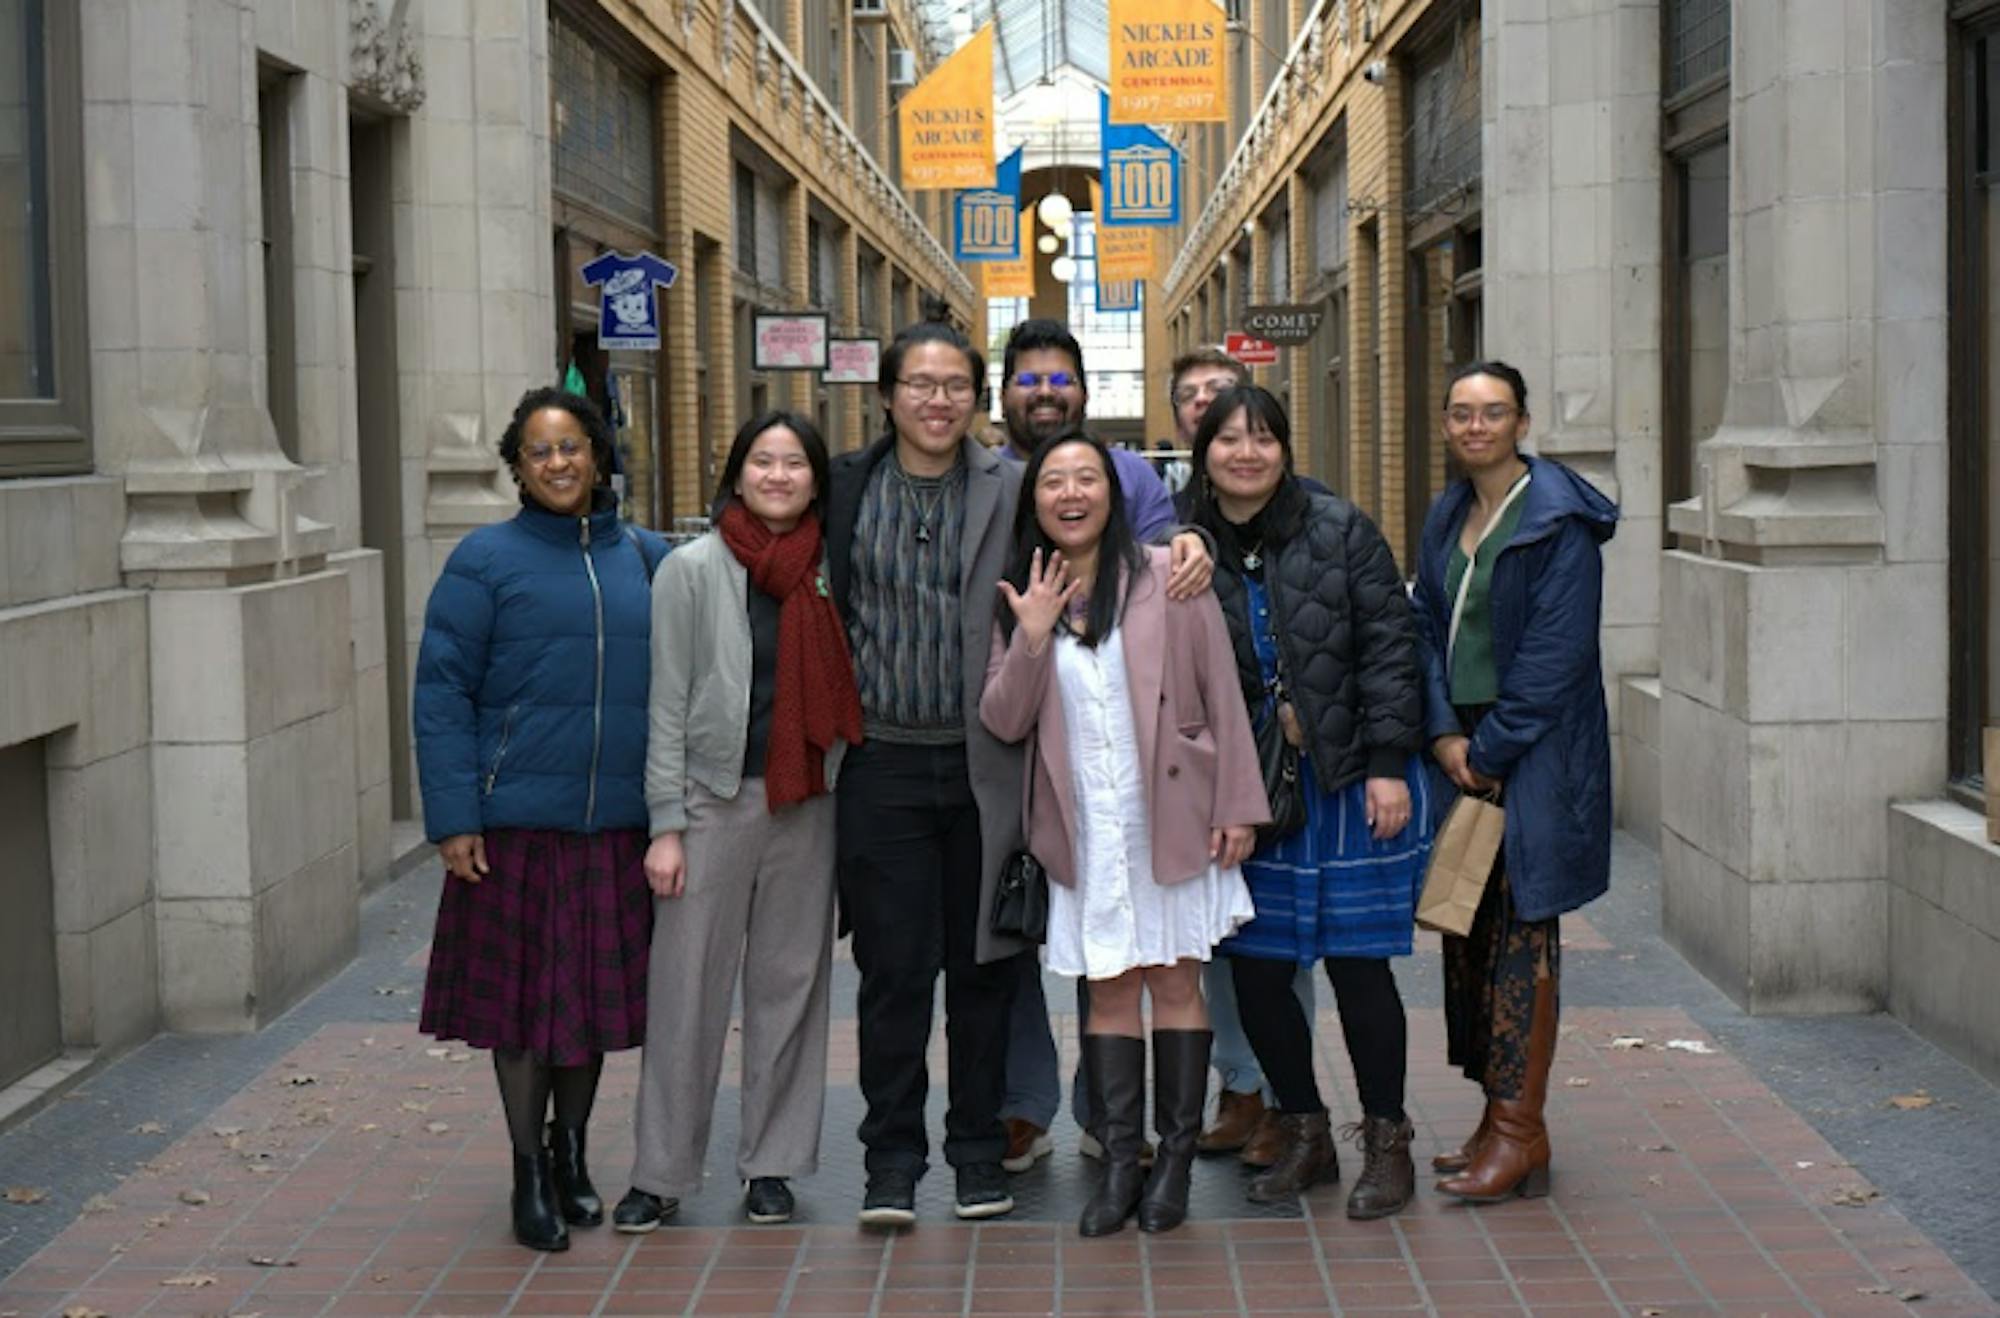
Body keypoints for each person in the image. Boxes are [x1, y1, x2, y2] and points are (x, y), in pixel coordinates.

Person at [979, 430, 1266, 1236]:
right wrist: (1032, 635)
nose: (1071, 494)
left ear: (1112, 492)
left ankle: (1172, 1163)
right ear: (1033, 498)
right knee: (1107, 990)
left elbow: (1222, 693)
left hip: (1169, 813)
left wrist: (1236, 805)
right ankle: (1119, 1159)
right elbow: (1002, 718)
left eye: (1087, 479)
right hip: (1084, 825)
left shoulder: (1169, 574)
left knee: (1176, 982)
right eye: (1053, 481)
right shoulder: (1025, 590)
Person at [415, 386, 666, 1252]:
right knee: (524, 1017)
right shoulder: (484, 561)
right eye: (539, 451)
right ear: (518, 468)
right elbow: (441, 692)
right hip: (513, 825)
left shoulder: (646, 557)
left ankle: (571, 1155)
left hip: (614, 827)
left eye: (571, 446)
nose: (558, 463)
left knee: (586, 1013)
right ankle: (528, 1169)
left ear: (597, 454)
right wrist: (454, 817)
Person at [1183, 384, 1432, 1219]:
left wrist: (1389, 762)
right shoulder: (1182, 545)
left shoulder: (1341, 528)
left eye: (1262, 438)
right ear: (1202, 450)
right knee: (1257, 973)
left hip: (1344, 781)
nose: (1245, 453)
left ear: (1285, 449)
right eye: (1228, 439)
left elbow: (1390, 647)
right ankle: (1305, 1131)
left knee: (1361, 967)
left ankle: (1389, 1141)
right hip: (1250, 791)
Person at [614, 412, 860, 1233]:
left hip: (808, 802)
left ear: (816, 479)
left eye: (795, 463)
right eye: (764, 461)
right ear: (739, 471)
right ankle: (661, 1171)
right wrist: (665, 824)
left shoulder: (834, 567)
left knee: (790, 988)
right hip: (711, 803)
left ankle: (773, 1166)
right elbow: (665, 703)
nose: (780, 476)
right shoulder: (691, 569)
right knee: (685, 992)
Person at [991, 319, 1216, 1175]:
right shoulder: (987, 478)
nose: (1045, 393)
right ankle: (1023, 1102)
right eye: (1028, 380)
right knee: (1016, 930)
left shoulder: (1133, 478)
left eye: (1060, 379)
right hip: (1017, 735)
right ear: (1004, 391)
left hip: (1118, 749)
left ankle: (1109, 1118)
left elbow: (1168, 575)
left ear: (1085, 390)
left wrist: (1190, 543)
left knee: (1119, 943)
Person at [822, 321, 1028, 1226]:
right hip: (882, 767)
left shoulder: (1013, 488)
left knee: (984, 972)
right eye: (920, 383)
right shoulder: (846, 488)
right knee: (894, 975)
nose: (937, 400)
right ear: (888, 395)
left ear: (976, 400)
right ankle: (892, 1161)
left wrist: (1186, 547)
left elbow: (1098, 542)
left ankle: (978, 1152)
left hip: (987, 768)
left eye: (955, 385)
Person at [1410, 361, 1617, 1204]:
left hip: (1530, 757)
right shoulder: (1449, 511)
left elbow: (1556, 658)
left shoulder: (1558, 522)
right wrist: (1442, 732)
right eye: (1461, 412)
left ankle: (1521, 1132)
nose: (1475, 426)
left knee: (1523, 941)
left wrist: (1488, 752)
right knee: (1473, 940)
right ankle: (1497, 1120)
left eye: (1493, 412)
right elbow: (1423, 624)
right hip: (1465, 747)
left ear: (1522, 422)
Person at [1167, 348, 1321, 1168]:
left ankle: (1287, 1099)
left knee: (1283, 945)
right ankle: (1242, 1086)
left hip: (1290, 768)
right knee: (1221, 944)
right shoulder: (1173, 531)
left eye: (1220, 395)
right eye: (1190, 399)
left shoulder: (1316, 515)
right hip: (1207, 770)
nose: (1206, 408)